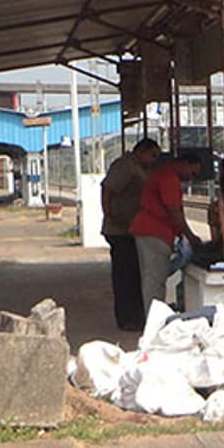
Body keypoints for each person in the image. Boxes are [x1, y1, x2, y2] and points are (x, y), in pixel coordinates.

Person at [130, 150, 204, 314]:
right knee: (155, 281)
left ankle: (153, 316)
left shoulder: (165, 174)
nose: (190, 178)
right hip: (154, 231)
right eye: (192, 172)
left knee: (152, 278)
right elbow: (174, 211)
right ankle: (154, 321)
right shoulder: (168, 178)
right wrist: (190, 237)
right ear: (185, 163)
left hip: (151, 230)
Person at [101, 138, 161, 330]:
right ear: (141, 151)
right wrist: (109, 213)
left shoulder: (142, 169)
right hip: (119, 229)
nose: (154, 160)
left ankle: (136, 316)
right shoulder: (125, 166)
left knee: (134, 274)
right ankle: (127, 319)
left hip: (131, 227)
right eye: (152, 155)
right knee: (124, 275)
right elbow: (108, 189)